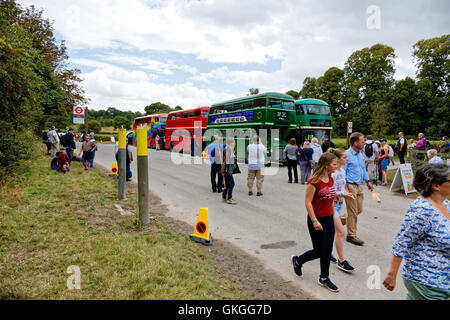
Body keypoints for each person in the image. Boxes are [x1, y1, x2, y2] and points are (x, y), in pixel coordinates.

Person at [383, 164, 450, 300]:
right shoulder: (422, 211)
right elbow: (402, 242)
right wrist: (391, 274)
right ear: (436, 186)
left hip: (443, 279)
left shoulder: (446, 204)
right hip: (427, 281)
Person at [291, 152, 340, 292]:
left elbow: (329, 195)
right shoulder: (314, 181)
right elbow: (308, 202)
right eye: (334, 164)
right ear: (326, 165)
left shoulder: (330, 178)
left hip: (329, 219)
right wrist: (314, 220)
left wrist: (342, 195)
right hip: (316, 220)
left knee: (328, 250)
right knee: (320, 250)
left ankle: (324, 278)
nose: (336, 166)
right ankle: (298, 260)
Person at [343, 132, 374, 246]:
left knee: (358, 210)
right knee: (352, 212)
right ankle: (351, 235)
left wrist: (368, 182)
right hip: (350, 185)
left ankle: (337, 221)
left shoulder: (360, 154)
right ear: (355, 143)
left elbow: (363, 169)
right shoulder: (346, 155)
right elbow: (342, 172)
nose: (364, 142)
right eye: (362, 141)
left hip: (359, 186)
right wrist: (345, 188)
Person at [328, 148, 356, 272]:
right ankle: (342, 261)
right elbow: (329, 191)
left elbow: (343, 187)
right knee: (340, 232)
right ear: (337, 159)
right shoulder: (332, 173)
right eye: (344, 157)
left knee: (332, 232)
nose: (347, 159)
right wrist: (341, 195)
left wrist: (347, 193)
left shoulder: (342, 171)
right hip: (330, 205)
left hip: (339, 204)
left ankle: (326, 252)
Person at [221, 137, 240, 205]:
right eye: (234, 142)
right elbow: (225, 162)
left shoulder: (230, 150)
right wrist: (223, 171)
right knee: (232, 184)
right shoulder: (229, 151)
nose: (235, 143)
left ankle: (224, 197)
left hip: (228, 170)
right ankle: (229, 198)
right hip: (227, 171)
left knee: (228, 184)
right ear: (232, 143)